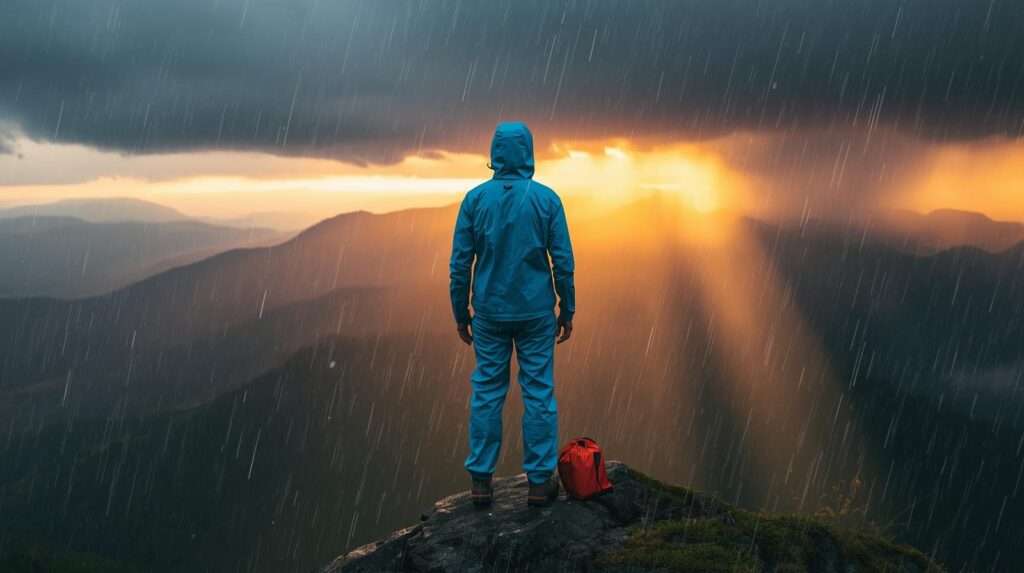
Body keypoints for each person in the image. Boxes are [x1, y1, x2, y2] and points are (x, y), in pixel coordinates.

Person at [449, 121, 575, 508]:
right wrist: (566, 308)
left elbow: (460, 264)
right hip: (536, 311)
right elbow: (563, 262)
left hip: (488, 311)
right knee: (538, 391)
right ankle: (539, 484)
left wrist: (460, 312)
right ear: (529, 153)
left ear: (495, 155)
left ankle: (481, 482)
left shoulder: (474, 200)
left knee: (487, 390)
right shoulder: (547, 200)